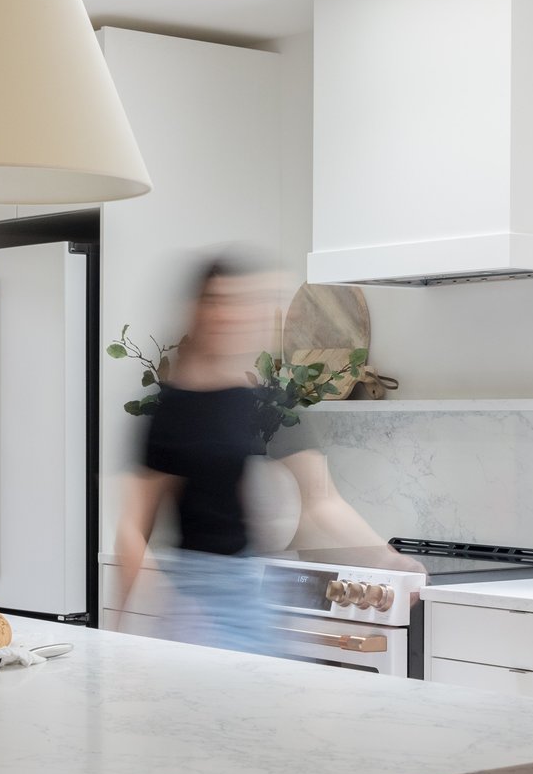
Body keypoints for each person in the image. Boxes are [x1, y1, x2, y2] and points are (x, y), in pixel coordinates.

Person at [114, 256, 406, 654]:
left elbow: (321, 502)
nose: (229, 316)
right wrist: (133, 619)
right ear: (197, 311)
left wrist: (390, 561)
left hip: (251, 597)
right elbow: (133, 528)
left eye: (241, 305)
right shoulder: (171, 411)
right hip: (192, 598)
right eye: (217, 302)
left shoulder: (266, 405)